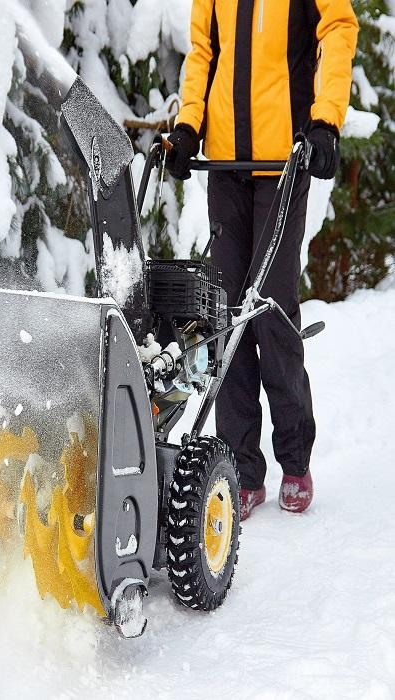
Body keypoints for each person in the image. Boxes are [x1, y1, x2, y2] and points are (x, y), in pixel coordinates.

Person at [165, 0, 358, 519]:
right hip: (226, 164)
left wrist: (326, 120)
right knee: (225, 314)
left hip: (285, 159)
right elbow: (203, 51)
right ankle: (241, 468)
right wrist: (188, 125)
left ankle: (294, 459)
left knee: (271, 309)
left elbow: (339, 29)